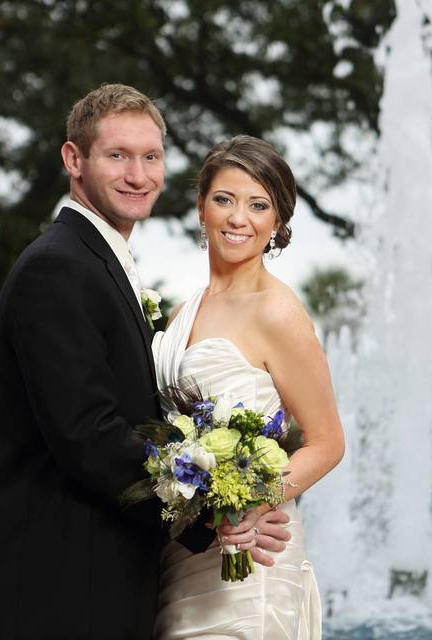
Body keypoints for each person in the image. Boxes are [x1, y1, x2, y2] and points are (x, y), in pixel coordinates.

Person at [0, 85, 288, 639]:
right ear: (74, 160)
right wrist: (214, 513)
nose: (138, 175)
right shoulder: (55, 268)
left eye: (151, 156)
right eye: (118, 156)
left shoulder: (99, 261)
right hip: (70, 582)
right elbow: (89, 436)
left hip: (114, 571)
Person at [151, 135, 346, 639]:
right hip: (184, 554)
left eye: (258, 205)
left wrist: (250, 504)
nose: (239, 219)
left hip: (249, 555)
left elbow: (328, 442)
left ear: (277, 222)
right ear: (201, 206)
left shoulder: (277, 311)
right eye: (224, 199)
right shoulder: (182, 311)